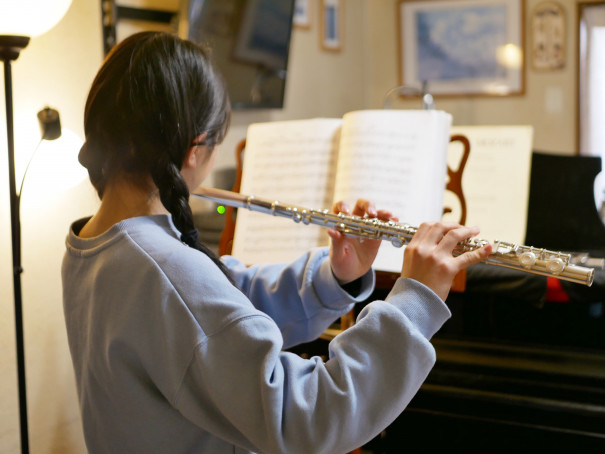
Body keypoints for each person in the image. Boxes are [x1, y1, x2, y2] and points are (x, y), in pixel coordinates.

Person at [62, 31, 491, 454]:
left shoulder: (95, 242)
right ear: (194, 149)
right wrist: (414, 302)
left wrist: (336, 276)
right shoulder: (162, 269)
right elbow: (310, 416)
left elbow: (227, 301)